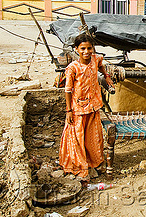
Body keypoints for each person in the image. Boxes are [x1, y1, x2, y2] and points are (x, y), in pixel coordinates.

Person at [59, 33, 114, 184]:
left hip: (93, 105)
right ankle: (81, 168)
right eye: (83, 48)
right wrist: (69, 110)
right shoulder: (73, 68)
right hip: (78, 109)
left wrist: (106, 76)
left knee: (93, 137)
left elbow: (101, 65)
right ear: (76, 49)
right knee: (77, 138)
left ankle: (95, 163)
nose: (86, 51)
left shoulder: (96, 59)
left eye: (89, 48)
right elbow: (68, 90)